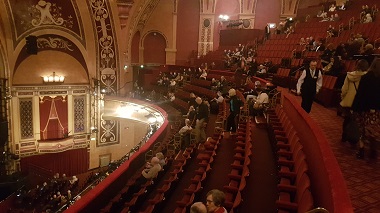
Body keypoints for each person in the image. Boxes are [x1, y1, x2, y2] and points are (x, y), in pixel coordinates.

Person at [352, 58, 380, 159]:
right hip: (376, 110)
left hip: (363, 109)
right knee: (374, 131)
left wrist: (354, 107)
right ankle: (373, 151)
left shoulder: (366, 78)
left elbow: (360, 94)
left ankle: (362, 151)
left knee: (362, 130)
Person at [340, 59, 369, 144]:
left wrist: (343, 98)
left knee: (347, 119)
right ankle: (355, 138)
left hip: (348, 101)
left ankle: (344, 136)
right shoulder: (367, 77)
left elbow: (344, 89)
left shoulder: (350, 75)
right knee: (358, 121)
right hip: (360, 102)